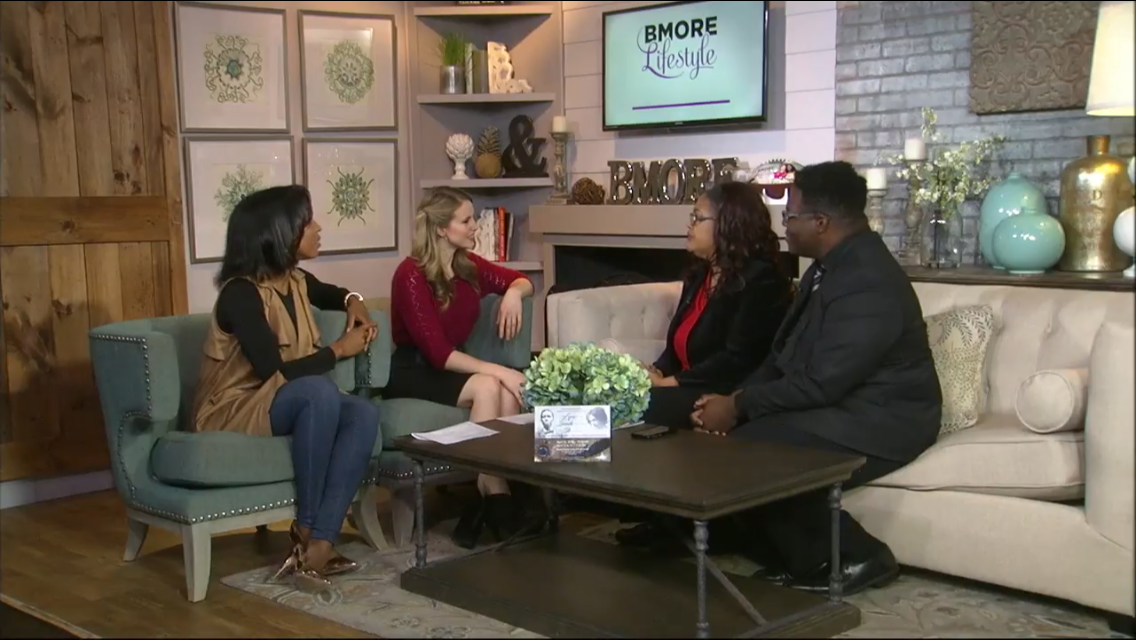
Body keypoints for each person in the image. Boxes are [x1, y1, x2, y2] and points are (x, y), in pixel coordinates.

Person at [691, 161, 943, 595]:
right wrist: (732, 400)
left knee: (756, 447)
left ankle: (860, 556)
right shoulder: (826, 267)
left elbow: (823, 382)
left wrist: (739, 407)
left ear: (821, 222)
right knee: (742, 435)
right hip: (845, 402)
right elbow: (782, 356)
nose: (785, 227)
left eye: (790, 216)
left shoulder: (867, 279)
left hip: (887, 419)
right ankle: (781, 550)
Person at [191, 184, 381, 593]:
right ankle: (306, 530)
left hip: (280, 400)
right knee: (318, 392)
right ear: (278, 233)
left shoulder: (295, 280)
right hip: (234, 407)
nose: (317, 228)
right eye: (306, 222)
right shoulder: (241, 293)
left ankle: (321, 547)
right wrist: (339, 349)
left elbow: (336, 294)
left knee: (363, 413)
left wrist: (355, 300)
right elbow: (274, 372)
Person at [386, 186, 535, 549]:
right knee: (490, 384)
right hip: (415, 369)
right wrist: (500, 370)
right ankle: (495, 490)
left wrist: (513, 294)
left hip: (452, 365)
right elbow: (438, 354)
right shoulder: (410, 274)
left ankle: (487, 494)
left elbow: (522, 281)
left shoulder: (469, 267)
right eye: (466, 220)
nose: (474, 227)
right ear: (441, 228)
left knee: (501, 390)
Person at [640, 181, 792, 429]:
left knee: (638, 405)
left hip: (721, 394)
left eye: (698, 218)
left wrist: (667, 384)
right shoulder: (701, 275)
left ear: (728, 224)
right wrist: (656, 371)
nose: (689, 225)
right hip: (684, 386)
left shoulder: (761, 280)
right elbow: (677, 344)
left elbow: (738, 360)